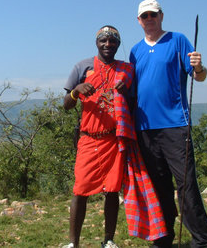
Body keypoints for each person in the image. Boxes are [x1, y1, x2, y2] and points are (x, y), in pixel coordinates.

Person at [62, 25, 167, 248]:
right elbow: (66, 105)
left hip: (114, 139)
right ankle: (73, 243)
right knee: (80, 189)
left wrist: (125, 90)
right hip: (89, 137)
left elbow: (135, 102)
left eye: (112, 41)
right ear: (96, 43)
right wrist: (76, 90)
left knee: (112, 190)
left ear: (118, 45)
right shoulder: (83, 67)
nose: (108, 44)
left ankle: (109, 240)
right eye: (103, 41)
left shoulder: (127, 71)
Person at [129, 0, 207, 248]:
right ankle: (164, 237)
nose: (149, 19)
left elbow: (198, 76)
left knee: (186, 185)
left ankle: (203, 242)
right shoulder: (135, 51)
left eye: (153, 14)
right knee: (158, 188)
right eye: (144, 16)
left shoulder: (178, 40)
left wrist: (200, 68)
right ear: (138, 20)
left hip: (176, 125)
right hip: (144, 129)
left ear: (161, 16)